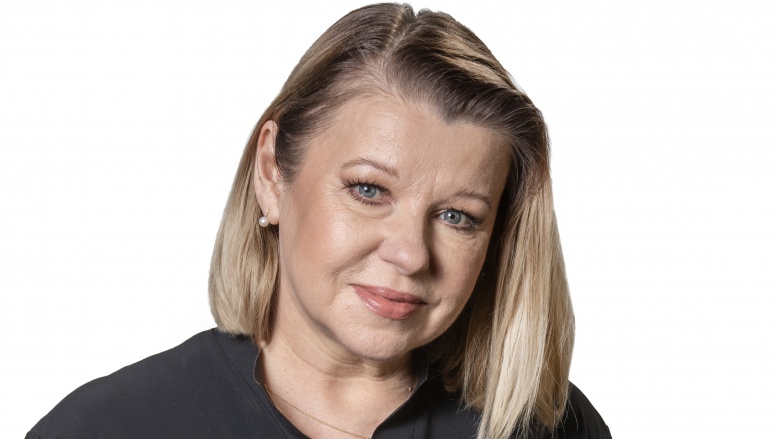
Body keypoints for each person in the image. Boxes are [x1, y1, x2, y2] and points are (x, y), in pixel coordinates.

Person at [27, 3, 610, 438]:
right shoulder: (106, 428)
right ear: (271, 174)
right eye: (368, 190)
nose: (411, 254)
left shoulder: (552, 428)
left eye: (458, 216)